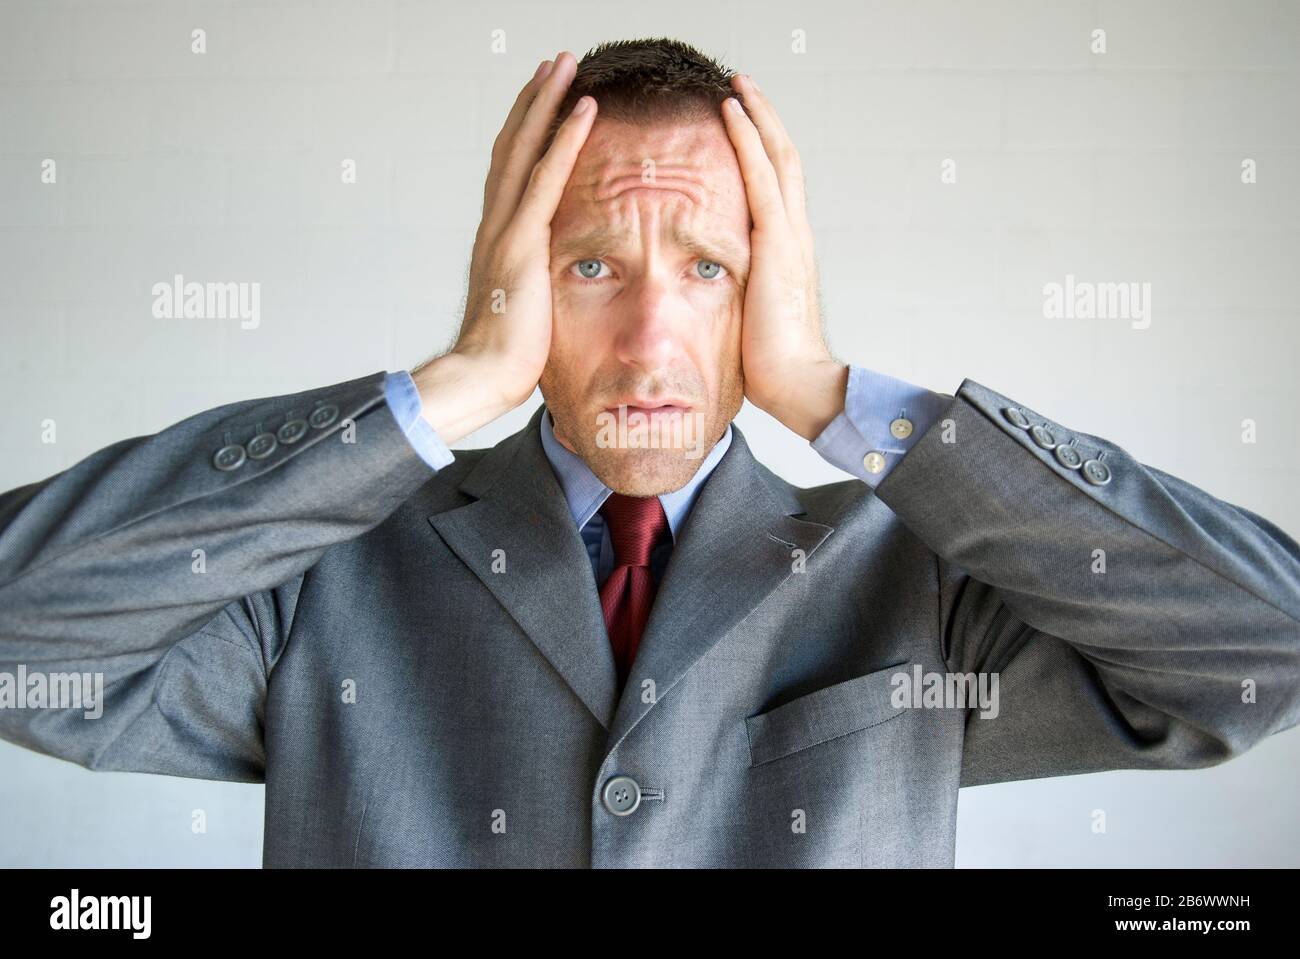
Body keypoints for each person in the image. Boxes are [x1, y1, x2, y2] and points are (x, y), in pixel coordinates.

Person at [2, 39, 1298, 868]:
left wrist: (839, 397)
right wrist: (445, 389)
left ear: (767, 291)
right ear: (511, 277)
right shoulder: (321, 583)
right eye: (588, 267)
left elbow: (1258, 649)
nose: (646, 338)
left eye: (708, 271)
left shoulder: (914, 589)